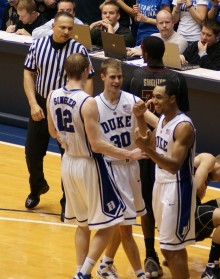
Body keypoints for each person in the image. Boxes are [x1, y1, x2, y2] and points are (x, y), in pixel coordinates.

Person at [46, 53, 146, 279]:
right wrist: (128, 153)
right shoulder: (87, 101)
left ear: (65, 70)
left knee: (82, 224)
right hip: (88, 165)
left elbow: (53, 132)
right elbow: (97, 144)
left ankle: (79, 270)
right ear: (85, 72)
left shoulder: (52, 95)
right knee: (114, 220)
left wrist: (65, 139)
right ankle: (85, 272)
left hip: (67, 162)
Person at [122, 35, 190, 278]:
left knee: (147, 204)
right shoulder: (176, 78)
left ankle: (151, 253)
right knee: (158, 203)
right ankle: (167, 248)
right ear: (165, 51)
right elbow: (181, 112)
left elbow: (130, 112)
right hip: (164, 145)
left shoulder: (133, 76)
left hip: (146, 147)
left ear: (143, 52)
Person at [23, 11, 93, 218]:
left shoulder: (79, 50)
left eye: (70, 28)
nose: (66, 32)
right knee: (32, 153)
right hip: (42, 105)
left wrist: (83, 106)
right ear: (53, 26)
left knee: (68, 158)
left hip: (66, 108)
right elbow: (28, 72)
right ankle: (37, 187)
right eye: (62, 27)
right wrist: (33, 103)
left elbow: (89, 78)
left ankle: (67, 201)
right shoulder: (38, 45)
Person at [94, 58, 158, 279]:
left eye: (119, 77)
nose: (117, 81)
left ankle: (105, 264)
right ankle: (140, 273)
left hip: (132, 168)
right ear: (102, 77)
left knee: (122, 223)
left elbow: (156, 125)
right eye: (112, 77)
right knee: (126, 226)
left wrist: (142, 120)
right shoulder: (94, 105)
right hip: (110, 168)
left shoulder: (132, 101)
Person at [134, 80, 196, 279]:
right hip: (159, 184)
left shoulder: (183, 126)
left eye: (158, 97)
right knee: (169, 247)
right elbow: (149, 141)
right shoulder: (162, 119)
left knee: (171, 249)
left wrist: (148, 150)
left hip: (177, 187)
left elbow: (174, 165)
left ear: (173, 98)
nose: (154, 101)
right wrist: (139, 118)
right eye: (153, 96)